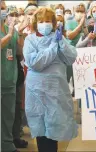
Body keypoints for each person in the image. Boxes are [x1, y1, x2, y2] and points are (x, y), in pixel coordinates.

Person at [23, 7, 78, 152]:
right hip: (37, 92)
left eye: (47, 21)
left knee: (54, 128)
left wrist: (62, 43)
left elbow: (71, 58)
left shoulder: (59, 38)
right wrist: (54, 47)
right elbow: (35, 63)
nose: (44, 24)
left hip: (56, 90)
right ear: (36, 22)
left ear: (53, 23)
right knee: (41, 128)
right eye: (41, 21)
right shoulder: (30, 40)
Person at [1, 1, 25, 152]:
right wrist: (10, 34)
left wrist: (19, 33)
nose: (2, 11)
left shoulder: (9, 28)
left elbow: (19, 52)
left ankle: (7, 144)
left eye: (3, 8)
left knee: (8, 117)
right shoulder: (9, 31)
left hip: (10, 79)